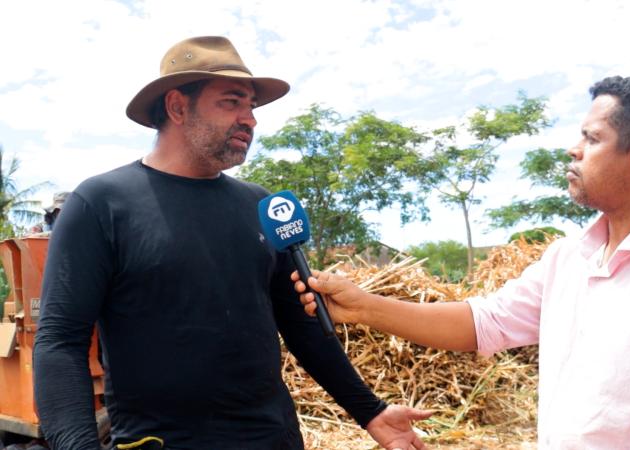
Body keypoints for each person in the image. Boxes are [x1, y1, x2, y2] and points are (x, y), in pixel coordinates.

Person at [295, 77, 630, 448]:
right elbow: (484, 322)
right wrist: (365, 308)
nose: (572, 149)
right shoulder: (570, 257)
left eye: (592, 138)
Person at [33, 36, 430, 450]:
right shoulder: (101, 203)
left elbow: (301, 324)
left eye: (252, 107)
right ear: (177, 106)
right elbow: (60, 341)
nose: (250, 119)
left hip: (274, 439)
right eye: (231, 102)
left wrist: (370, 409)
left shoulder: (260, 205)